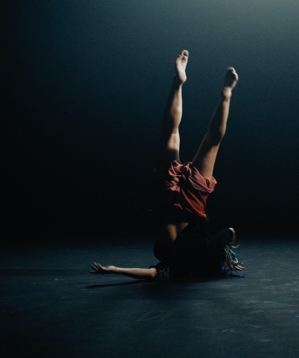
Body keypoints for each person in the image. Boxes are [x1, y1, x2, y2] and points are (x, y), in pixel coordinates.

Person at [90, 50, 245, 281]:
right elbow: (152, 273)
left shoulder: (190, 266)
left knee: (211, 143)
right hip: (167, 201)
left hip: (189, 204)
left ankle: (225, 91)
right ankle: (178, 83)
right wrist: (114, 270)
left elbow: (229, 232)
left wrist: (222, 253)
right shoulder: (177, 267)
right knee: (171, 135)